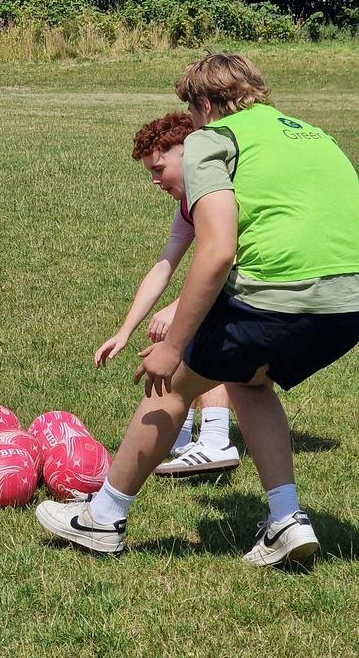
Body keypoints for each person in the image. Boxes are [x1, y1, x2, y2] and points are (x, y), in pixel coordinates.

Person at [38, 54, 359, 567]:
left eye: (191, 109)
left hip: (277, 293)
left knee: (171, 385)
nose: (192, 120)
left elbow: (217, 250)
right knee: (248, 381)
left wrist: (171, 346)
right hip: (350, 306)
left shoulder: (213, 138)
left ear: (205, 104)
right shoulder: (313, 134)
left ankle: (103, 518)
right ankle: (286, 520)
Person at [94, 112, 240, 475]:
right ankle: (179, 432)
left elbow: (230, 260)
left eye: (159, 168)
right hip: (241, 282)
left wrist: (177, 307)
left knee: (204, 329)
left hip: (264, 281)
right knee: (181, 327)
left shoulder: (223, 191)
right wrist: (124, 331)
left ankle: (215, 439)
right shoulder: (188, 204)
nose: (155, 180)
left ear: (189, 153)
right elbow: (163, 266)